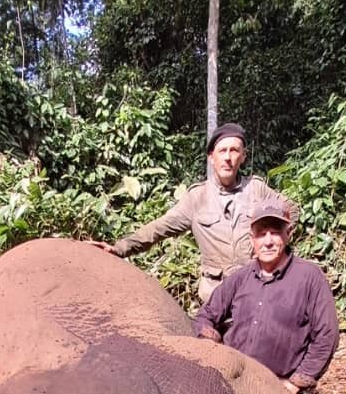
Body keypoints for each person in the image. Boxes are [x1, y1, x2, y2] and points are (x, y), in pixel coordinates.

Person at [91, 122, 277, 301]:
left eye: (234, 150)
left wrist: (271, 250)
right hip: (216, 297)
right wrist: (119, 248)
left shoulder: (256, 189)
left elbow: (290, 212)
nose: (228, 157)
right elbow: (159, 228)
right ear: (212, 157)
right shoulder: (197, 198)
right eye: (222, 151)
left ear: (243, 156)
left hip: (256, 292)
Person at [193, 192, 338, 394]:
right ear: (252, 240)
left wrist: (296, 383)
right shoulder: (240, 277)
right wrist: (212, 347)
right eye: (261, 233)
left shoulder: (309, 277)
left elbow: (326, 336)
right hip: (232, 380)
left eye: (275, 232)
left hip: (277, 388)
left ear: (288, 234)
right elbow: (205, 315)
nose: (268, 241)